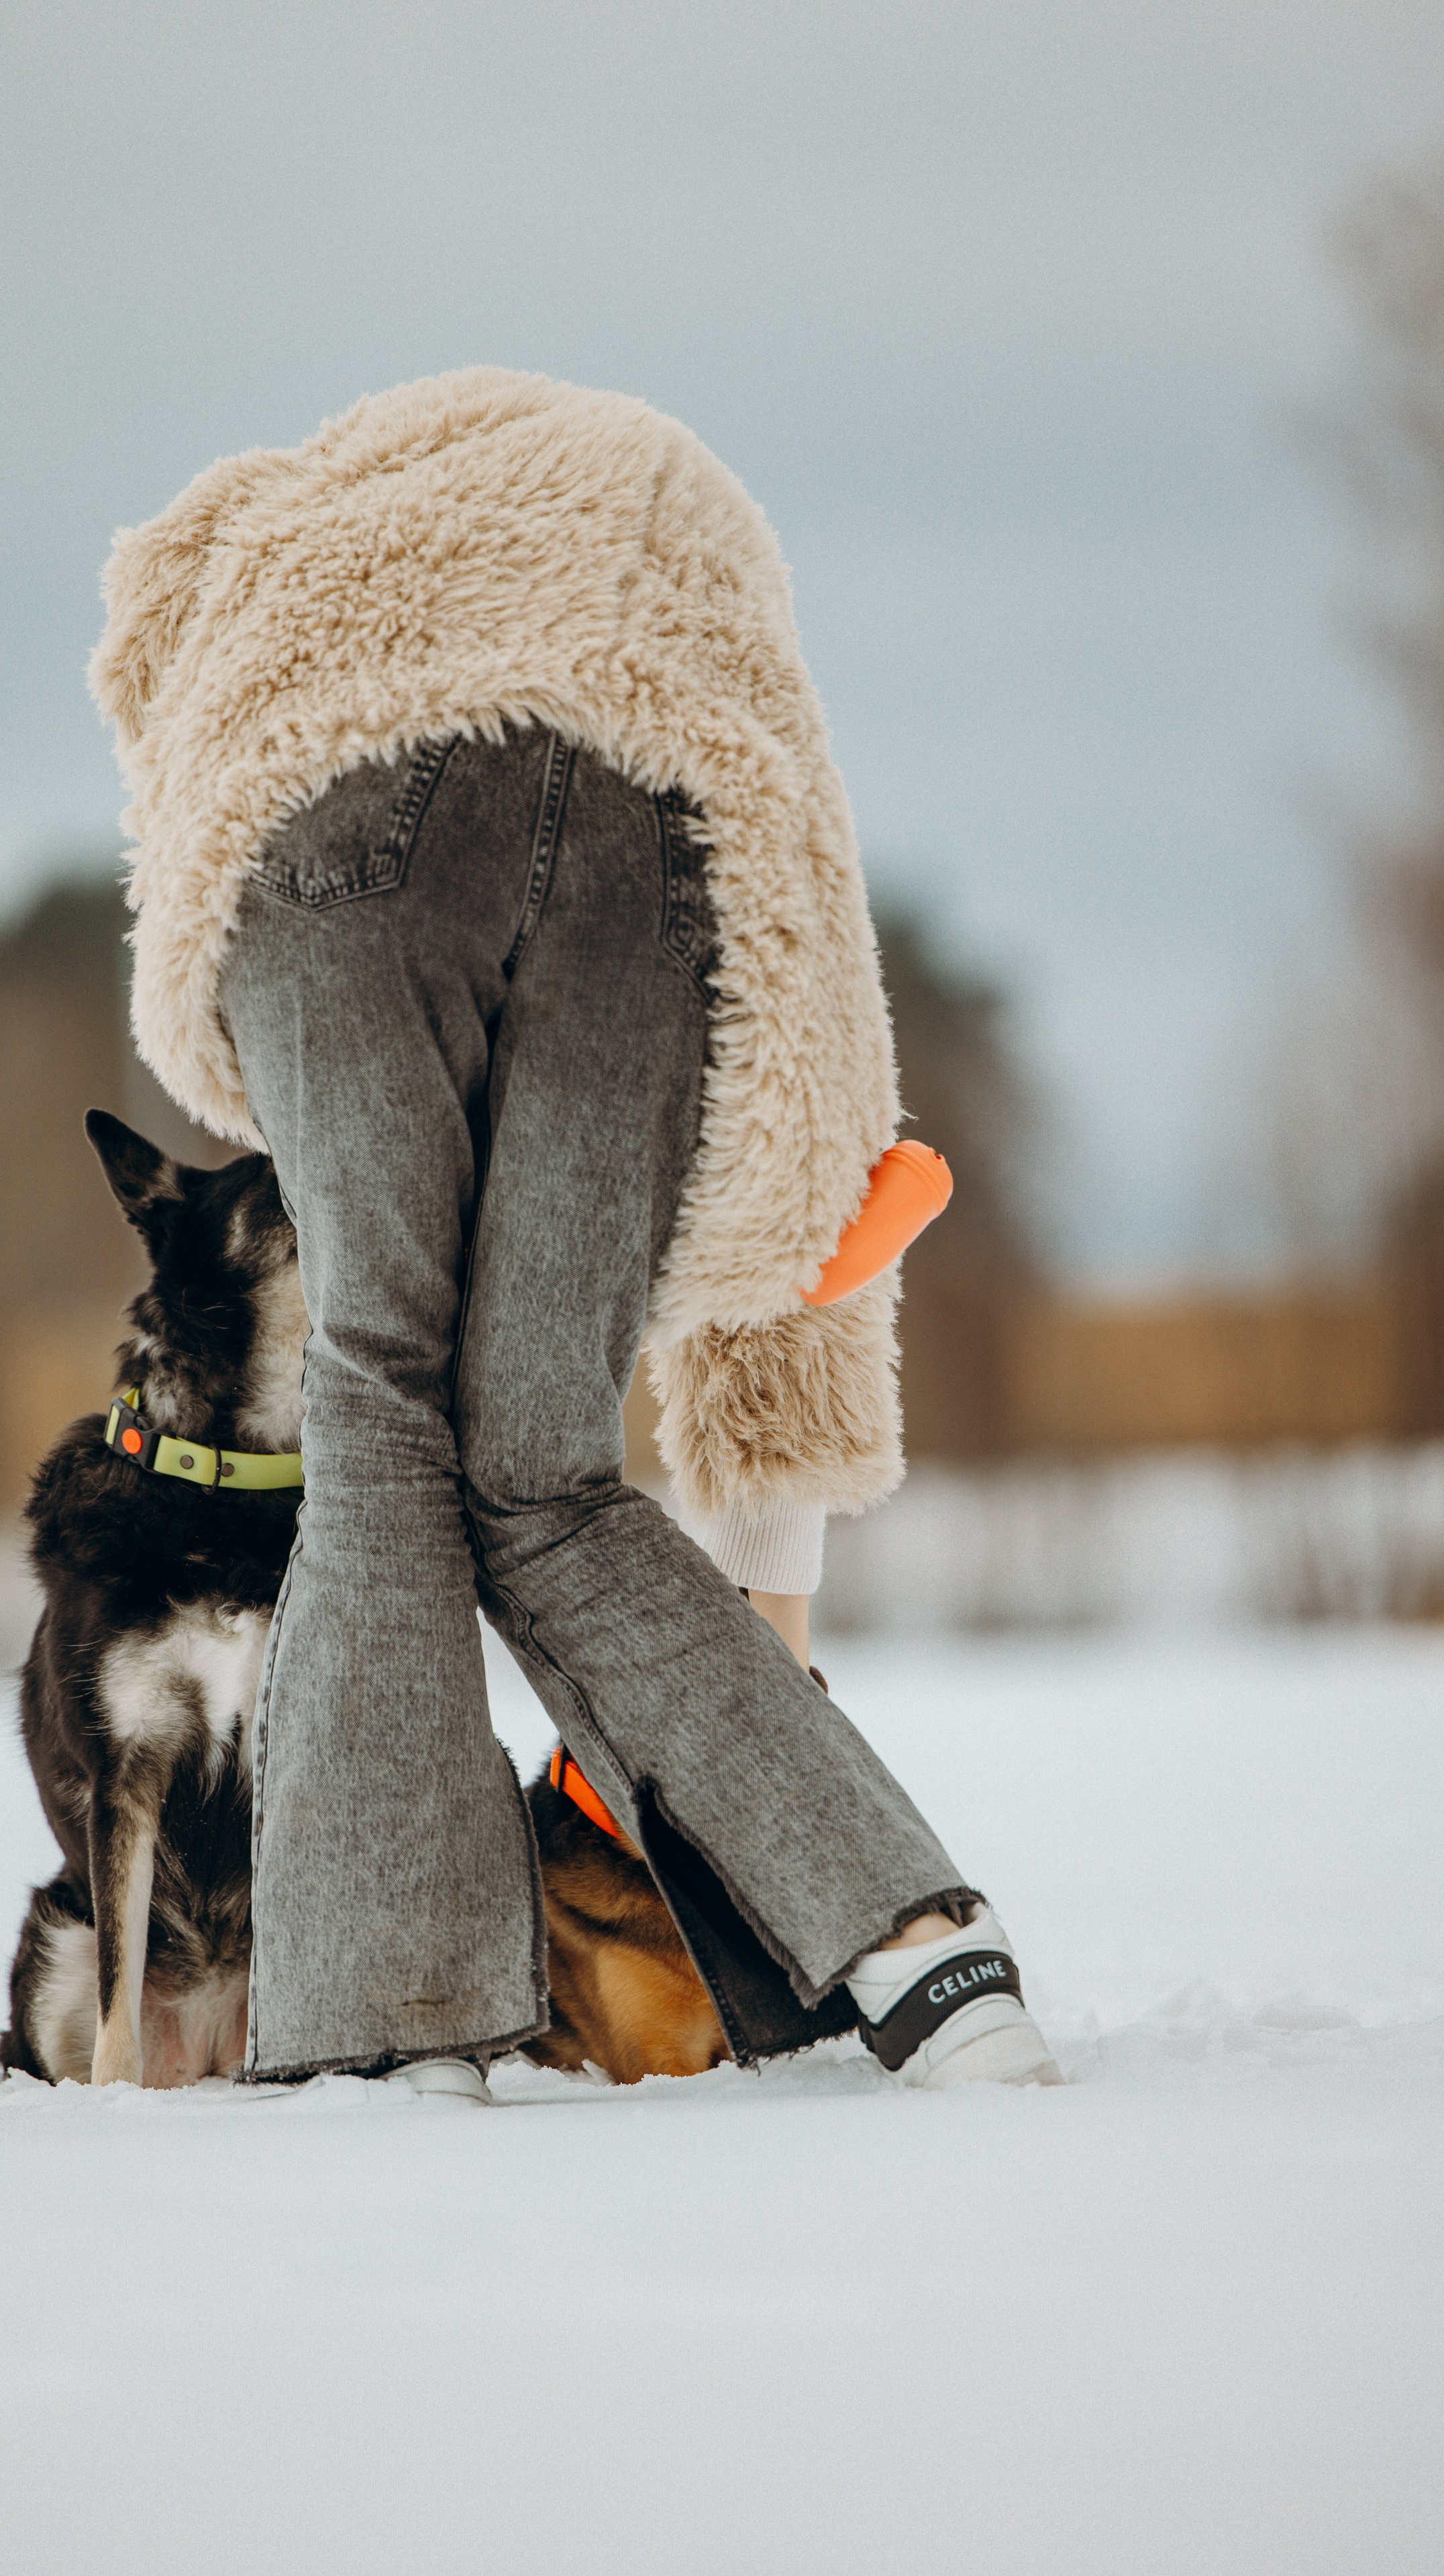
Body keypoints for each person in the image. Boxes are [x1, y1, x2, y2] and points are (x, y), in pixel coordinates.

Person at [90, 368, 1059, 2099]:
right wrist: (768, 1594)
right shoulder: (668, 521)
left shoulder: (261, 542)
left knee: (381, 1408)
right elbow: (815, 1041)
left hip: (333, 802)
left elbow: (149, 644)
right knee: (545, 1471)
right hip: (646, 829)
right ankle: (928, 1957)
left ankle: (397, 2038)